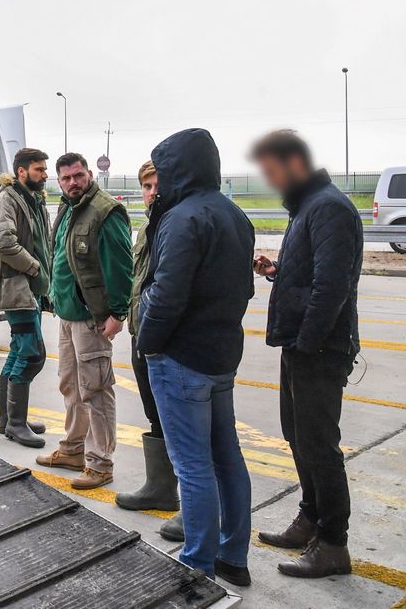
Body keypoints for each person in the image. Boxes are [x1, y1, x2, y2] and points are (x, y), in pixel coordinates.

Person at [137, 128, 254, 587]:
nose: (159, 182)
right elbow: (242, 287)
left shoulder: (182, 217)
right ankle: (233, 557)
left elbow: (167, 295)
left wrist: (149, 343)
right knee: (227, 458)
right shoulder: (234, 214)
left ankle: (197, 564)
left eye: (162, 171)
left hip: (181, 357)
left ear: (177, 170)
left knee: (192, 466)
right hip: (221, 355)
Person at [251, 130, 361, 578]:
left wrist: (309, 342)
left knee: (320, 446)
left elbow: (332, 287)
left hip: (317, 349)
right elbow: (310, 275)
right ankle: (310, 518)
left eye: (273, 172)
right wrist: (278, 271)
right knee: (299, 439)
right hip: (300, 344)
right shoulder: (308, 208)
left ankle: (333, 544)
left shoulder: (329, 208)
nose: (271, 182)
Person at [35, 152, 132, 490]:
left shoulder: (105, 212)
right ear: (58, 182)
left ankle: (100, 464)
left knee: (96, 389)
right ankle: (74, 449)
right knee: (70, 385)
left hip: (92, 317)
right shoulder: (67, 207)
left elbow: (121, 267)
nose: (72, 183)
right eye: (66, 178)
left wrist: (118, 313)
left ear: (89, 174)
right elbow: (58, 255)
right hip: (66, 313)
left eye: (78, 176)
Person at [115, 161, 182, 538]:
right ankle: (160, 489)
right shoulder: (148, 227)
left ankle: (191, 506)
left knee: (182, 427)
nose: (151, 192)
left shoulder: (176, 226)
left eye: (157, 184)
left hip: (165, 343)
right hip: (141, 335)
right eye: (146, 186)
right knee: (156, 417)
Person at [0, 147, 53, 448]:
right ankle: (16, 423)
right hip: (16, 287)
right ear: (22, 171)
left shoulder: (33, 200)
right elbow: (0, 241)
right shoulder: (8, 199)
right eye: (39, 169)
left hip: (30, 289)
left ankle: (8, 420)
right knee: (32, 353)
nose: (45, 175)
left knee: (18, 350)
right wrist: (35, 268)